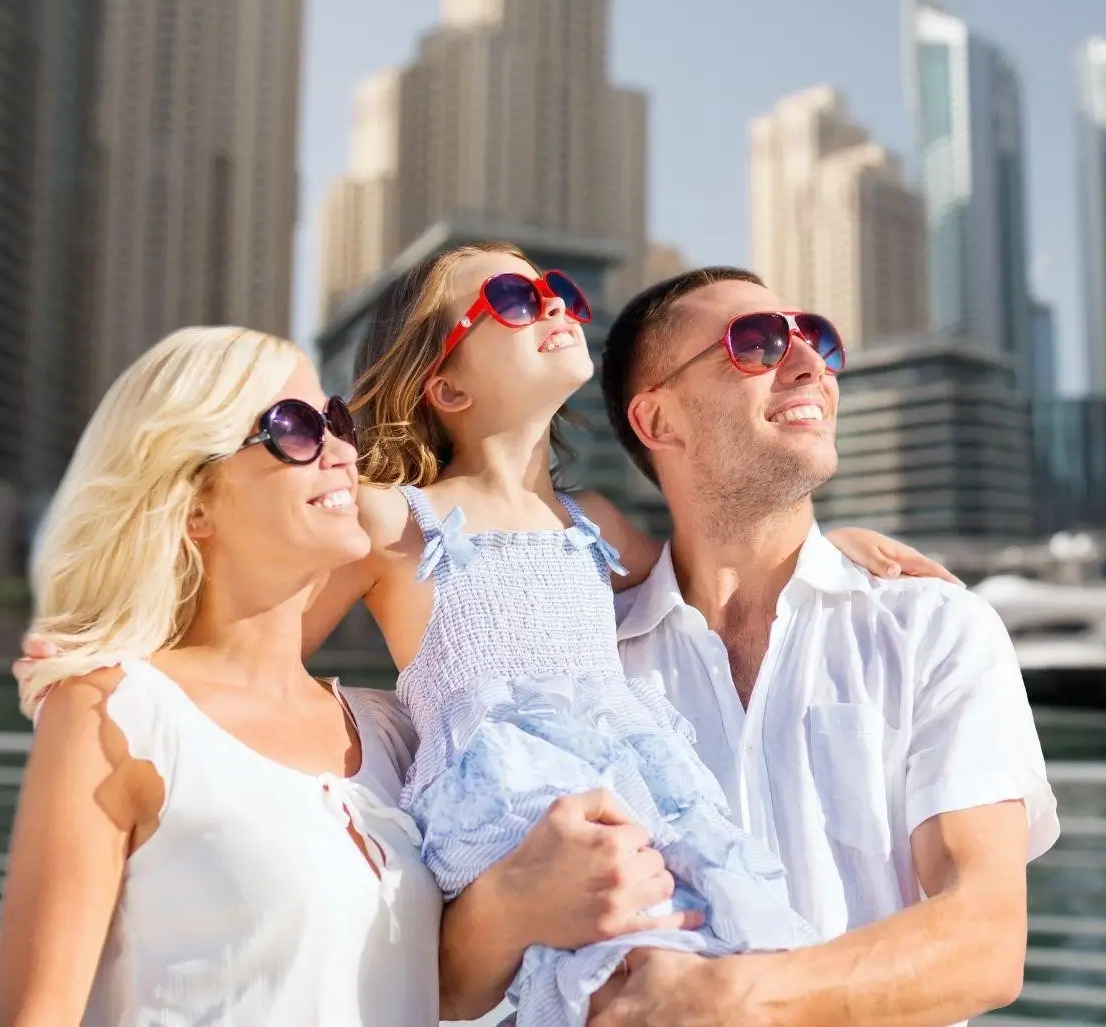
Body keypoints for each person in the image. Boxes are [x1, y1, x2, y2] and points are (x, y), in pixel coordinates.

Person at [304, 242, 939, 1024]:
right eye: (513, 296)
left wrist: (828, 547)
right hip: (510, 805)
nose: (554, 305)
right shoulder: (396, 517)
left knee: (712, 943)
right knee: (612, 975)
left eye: (557, 290)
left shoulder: (592, 520)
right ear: (446, 385)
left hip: (637, 788)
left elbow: (716, 569)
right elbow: (266, 645)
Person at [440, 267, 1058, 1026]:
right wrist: (508, 903)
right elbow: (447, 983)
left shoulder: (933, 628)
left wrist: (727, 999)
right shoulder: (579, 666)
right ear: (659, 419)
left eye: (817, 339)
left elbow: (985, 938)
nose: (810, 364)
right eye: (756, 344)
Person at [0, 327, 442, 1025]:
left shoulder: (394, 730)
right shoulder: (116, 711)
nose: (343, 450)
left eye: (337, 419)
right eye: (294, 427)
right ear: (194, 502)